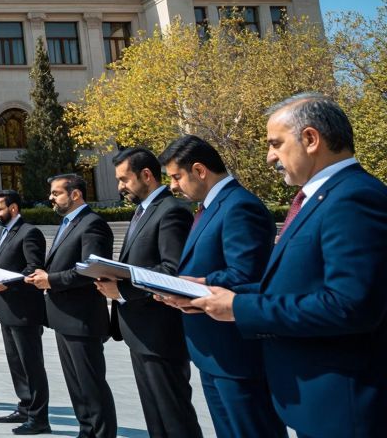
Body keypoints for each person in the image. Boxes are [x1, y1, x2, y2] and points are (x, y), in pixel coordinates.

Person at [184, 94, 387, 438]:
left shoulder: (353, 197)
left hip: (344, 406)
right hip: (318, 400)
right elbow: (295, 285)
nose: (270, 157)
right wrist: (211, 294)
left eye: (276, 144)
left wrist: (239, 307)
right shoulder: (321, 197)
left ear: (310, 139)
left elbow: (350, 305)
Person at [156, 135, 285, 438]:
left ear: (200, 170)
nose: (173, 186)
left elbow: (246, 275)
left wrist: (195, 285)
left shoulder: (240, 206)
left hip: (235, 352)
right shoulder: (210, 207)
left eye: (176, 176)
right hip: (213, 349)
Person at [95, 148, 200, 438]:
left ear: (146, 175)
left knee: (174, 416)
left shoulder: (172, 211)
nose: (119, 187)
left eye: (124, 179)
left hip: (161, 332)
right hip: (140, 332)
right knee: (156, 418)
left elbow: (171, 271)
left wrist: (123, 288)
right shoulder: (143, 211)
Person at [26, 174, 116, 438]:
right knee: (77, 386)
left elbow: (91, 271)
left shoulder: (92, 225)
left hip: (82, 319)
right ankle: (86, 431)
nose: (51, 198)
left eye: (56, 193)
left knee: (91, 386)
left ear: (75, 194)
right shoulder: (69, 223)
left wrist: (49, 279)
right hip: (64, 317)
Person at [0, 190, 50, 435]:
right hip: (5, 308)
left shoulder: (29, 232)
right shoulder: (1, 233)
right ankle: (24, 407)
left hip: (24, 309)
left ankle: (39, 418)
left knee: (31, 364)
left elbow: (33, 268)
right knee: (16, 364)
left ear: (13, 208)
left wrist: (6, 284)